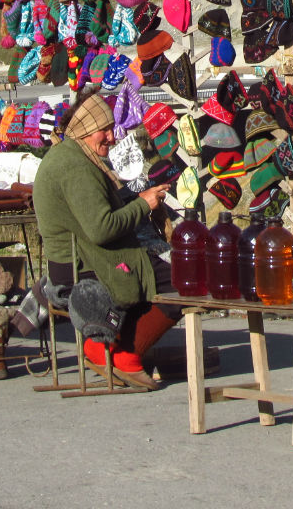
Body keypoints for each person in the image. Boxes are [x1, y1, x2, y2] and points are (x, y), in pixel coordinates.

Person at [32, 93, 177, 389]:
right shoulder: (75, 166)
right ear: (86, 128)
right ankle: (119, 354)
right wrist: (143, 205)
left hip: (78, 256)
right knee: (178, 281)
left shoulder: (70, 155)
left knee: (162, 267)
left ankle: (120, 346)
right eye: (104, 129)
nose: (111, 137)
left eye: (112, 128)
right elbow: (101, 228)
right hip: (82, 265)